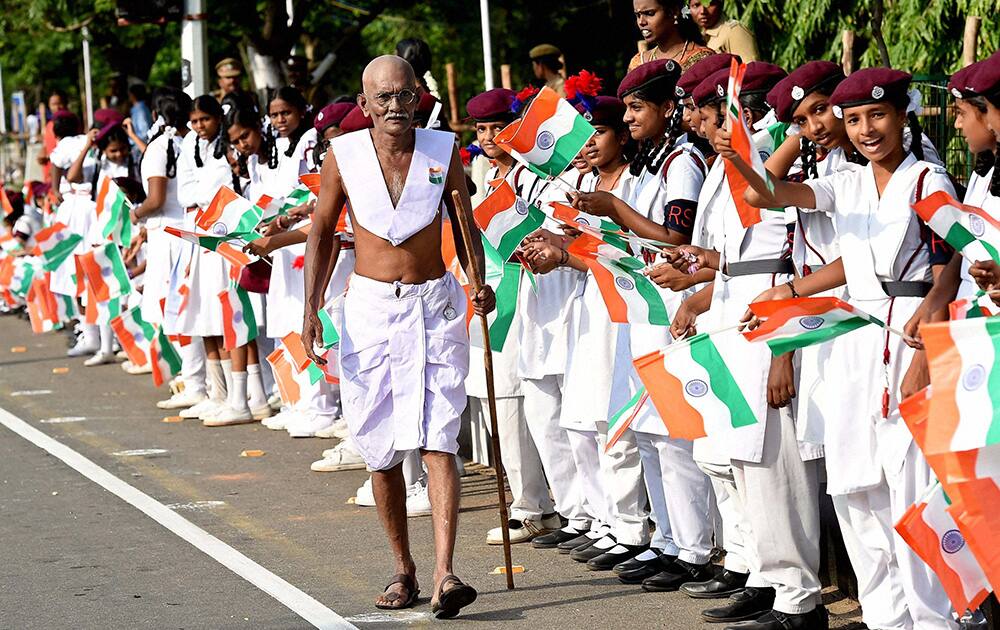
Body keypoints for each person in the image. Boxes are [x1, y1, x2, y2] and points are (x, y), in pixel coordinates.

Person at [724, 66, 960, 630]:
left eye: (877, 115)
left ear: (904, 115)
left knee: (909, 488)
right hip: (856, 344)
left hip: (908, 334)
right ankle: (887, 618)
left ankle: (937, 618)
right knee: (856, 489)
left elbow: (954, 259)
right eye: (853, 119)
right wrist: (744, 147)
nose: (865, 130)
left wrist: (929, 339)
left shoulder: (929, 180)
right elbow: (766, 192)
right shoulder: (845, 184)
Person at [302, 55, 493, 617]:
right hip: (369, 313)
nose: (394, 108)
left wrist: (480, 284)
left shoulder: (443, 150)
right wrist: (310, 309)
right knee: (380, 448)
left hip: (434, 305)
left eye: (404, 96)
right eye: (382, 98)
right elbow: (320, 234)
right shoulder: (344, 156)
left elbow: (465, 224)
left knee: (439, 436)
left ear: (419, 98)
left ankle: (445, 573)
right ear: (365, 105)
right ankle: (403, 569)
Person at [629, 0, 713, 72]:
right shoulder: (638, 63)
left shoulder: (702, 58)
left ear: (673, 12)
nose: (641, 22)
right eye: (638, 15)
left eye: (649, 13)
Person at [689, 0, 760, 61]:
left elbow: (750, 71)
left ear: (721, 4)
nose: (703, 11)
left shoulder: (734, 30)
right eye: (696, 5)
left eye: (710, 4)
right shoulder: (699, 36)